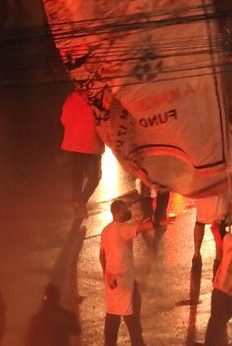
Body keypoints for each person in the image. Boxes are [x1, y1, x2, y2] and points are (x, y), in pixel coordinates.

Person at [100, 199, 154, 345]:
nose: (127, 212)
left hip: (112, 280)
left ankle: (110, 343)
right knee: (131, 315)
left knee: (112, 313)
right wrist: (159, 223)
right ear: (117, 214)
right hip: (125, 280)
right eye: (124, 210)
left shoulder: (106, 231)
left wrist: (107, 274)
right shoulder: (122, 229)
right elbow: (139, 229)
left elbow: (102, 255)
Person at [60, 89, 104, 217]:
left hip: (72, 145)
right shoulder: (97, 99)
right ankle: (81, 201)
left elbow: (63, 120)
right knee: (95, 177)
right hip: (91, 145)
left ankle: (77, 203)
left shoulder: (70, 98)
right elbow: (103, 121)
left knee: (76, 178)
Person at [194, 188, 232, 269]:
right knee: (217, 220)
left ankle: (197, 254)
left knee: (201, 220)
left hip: (207, 187)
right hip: (215, 186)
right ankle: (217, 258)